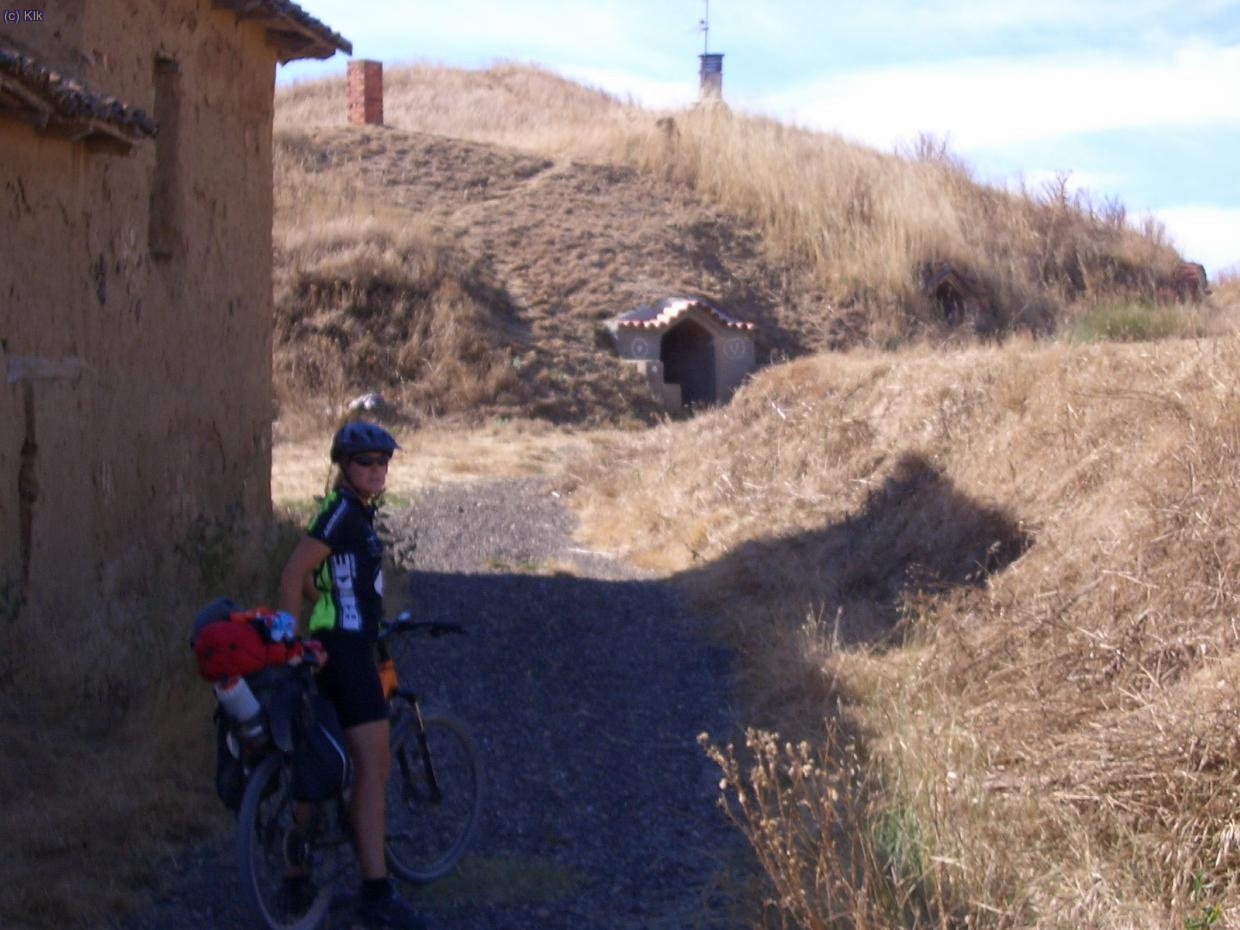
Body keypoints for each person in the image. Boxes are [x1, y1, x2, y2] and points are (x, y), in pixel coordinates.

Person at [279, 421, 426, 930]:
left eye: (384, 461)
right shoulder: (343, 513)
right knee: (373, 769)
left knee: (321, 761)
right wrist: (291, 641)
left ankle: (295, 875)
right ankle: (376, 892)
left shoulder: (350, 513)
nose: (377, 470)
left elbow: (318, 581)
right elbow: (293, 572)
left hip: (340, 643)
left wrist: (321, 616)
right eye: (366, 462)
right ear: (344, 467)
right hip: (344, 653)